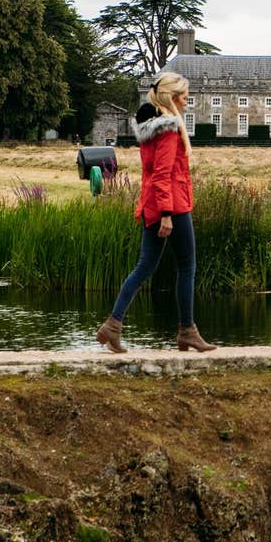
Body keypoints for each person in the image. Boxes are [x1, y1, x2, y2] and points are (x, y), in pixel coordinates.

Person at [96, 72, 216, 354]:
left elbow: (154, 173)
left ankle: (112, 326)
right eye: (184, 95)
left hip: (154, 202)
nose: (187, 100)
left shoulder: (151, 128)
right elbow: (163, 174)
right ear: (171, 97)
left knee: (144, 267)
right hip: (171, 204)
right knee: (187, 266)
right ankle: (187, 331)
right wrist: (166, 213)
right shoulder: (169, 129)